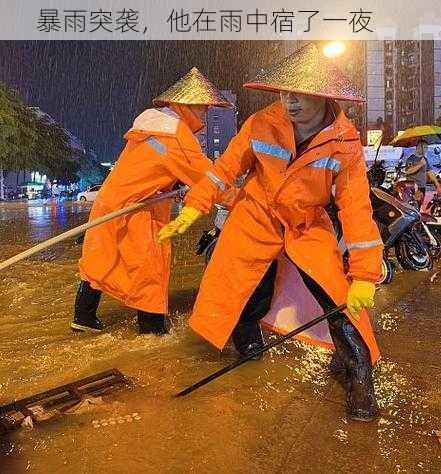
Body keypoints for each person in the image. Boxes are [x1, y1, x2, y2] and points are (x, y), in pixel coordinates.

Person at [159, 44, 383, 421]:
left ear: (323, 96)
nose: (289, 101)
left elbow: (356, 208)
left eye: (299, 94)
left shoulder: (346, 143)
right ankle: (250, 351)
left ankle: (358, 377)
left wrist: (364, 274)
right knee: (245, 289)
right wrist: (196, 205)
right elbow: (223, 170)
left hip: (306, 222)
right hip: (256, 214)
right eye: (284, 93)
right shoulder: (261, 123)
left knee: (339, 297)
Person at [73, 68, 232, 334]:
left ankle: (83, 318)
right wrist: (243, 199)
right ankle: (153, 334)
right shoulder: (177, 135)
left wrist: (172, 185)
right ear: (186, 105)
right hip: (137, 210)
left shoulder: (152, 126)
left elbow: (152, 168)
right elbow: (209, 180)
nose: (206, 113)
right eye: (204, 107)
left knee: (99, 262)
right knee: (151, 271)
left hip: (111, 204)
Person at [405, 139, 441, 205]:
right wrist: (420, 164)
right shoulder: (411, 159)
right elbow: (408, 171)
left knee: (419, 205)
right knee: (414, 206)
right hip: (414, 187)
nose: (426, 149)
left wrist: (437, 185)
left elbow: (430, 172)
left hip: (422, 187)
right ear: (418, 147)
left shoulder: (424, 159)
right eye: (424, 147)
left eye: (426, 147)